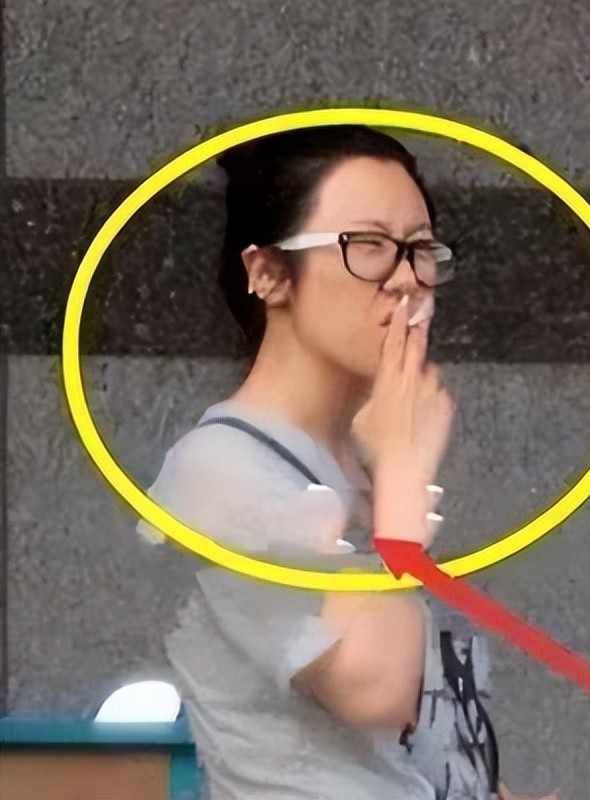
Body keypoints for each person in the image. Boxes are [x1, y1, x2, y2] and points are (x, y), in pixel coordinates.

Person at [137, 125, 547, 800]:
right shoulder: (218, 471)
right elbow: (376, 690)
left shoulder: (353, 465)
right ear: (268, 273)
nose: (407, 280)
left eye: (421, 249)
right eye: (368, 247)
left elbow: (406, 745)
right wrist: (401, 480)